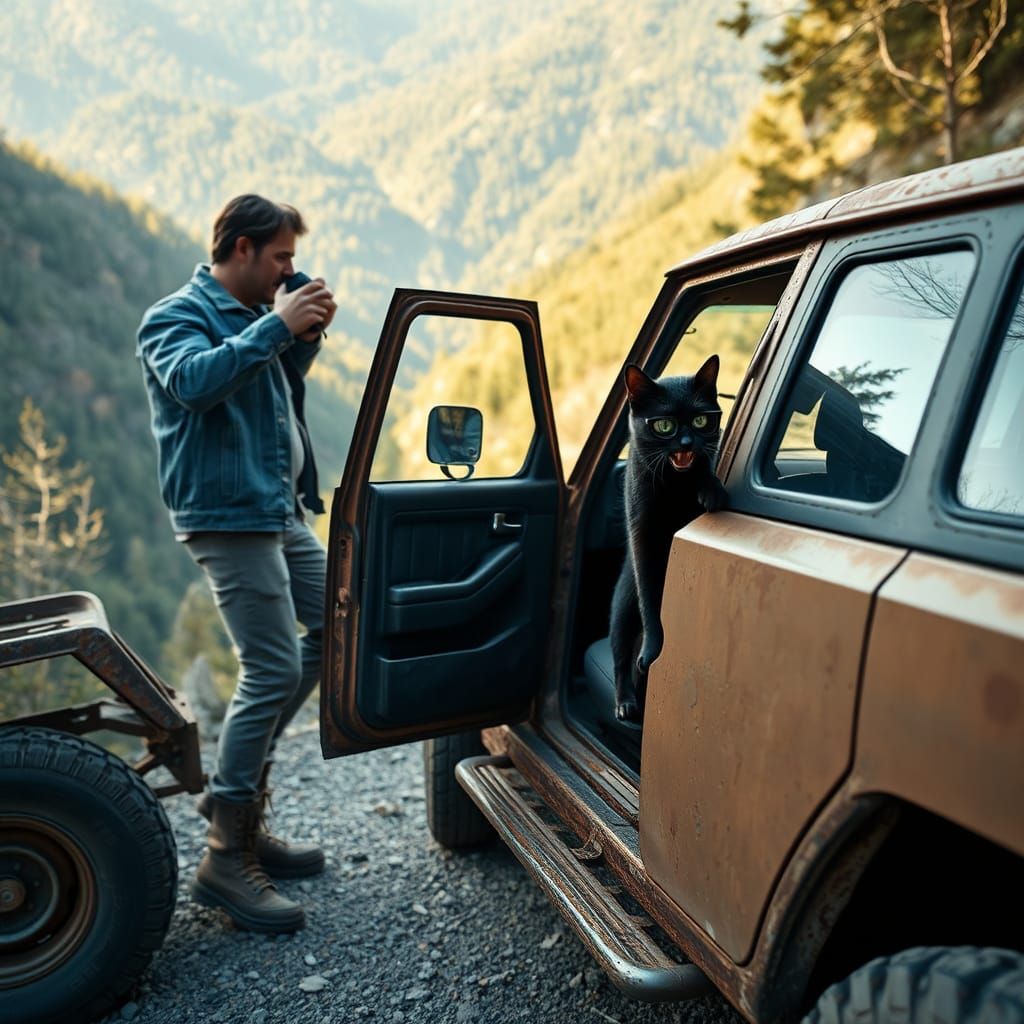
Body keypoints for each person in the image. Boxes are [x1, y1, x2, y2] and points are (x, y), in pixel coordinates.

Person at [137, 194, 338, 933]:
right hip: (226, 518)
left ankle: (238, 796)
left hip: (277, 511)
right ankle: (225, 853)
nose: (290, 268)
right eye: (281, 256)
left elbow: (275, 391)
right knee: (275, 668)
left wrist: (301, 337)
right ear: (244, 249)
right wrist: (275, 327)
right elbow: (194, 385)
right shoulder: (173, 316)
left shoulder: (260, 319)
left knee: (337, 626)